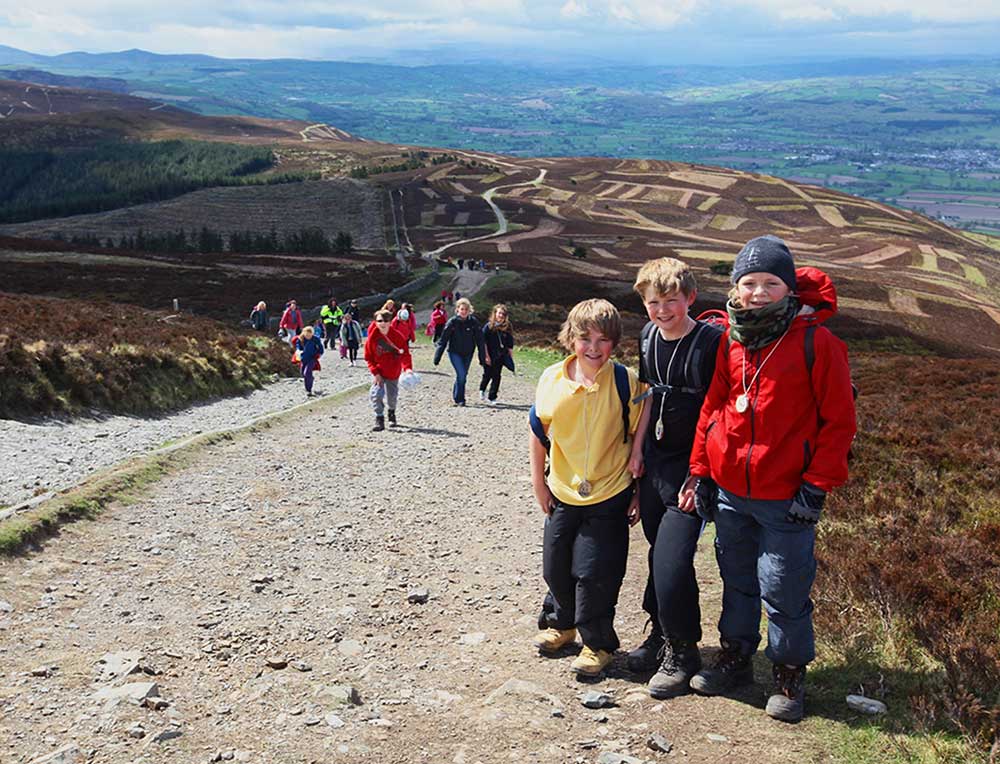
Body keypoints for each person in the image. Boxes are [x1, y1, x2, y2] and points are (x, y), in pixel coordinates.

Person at [680, 235, 856, 722]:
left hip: (787, 497)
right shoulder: (732, 341)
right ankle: (736, 658)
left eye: (770, 283)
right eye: (748, 282)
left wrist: (816, 485)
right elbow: (714, 407)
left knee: (783, 587)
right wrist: (702, 471)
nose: (758, 292)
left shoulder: (818, 344)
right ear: (735, 288)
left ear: (789, 288)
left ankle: (788, 673)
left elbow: (839, 422)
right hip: (732, 489)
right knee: (737, 580)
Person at [622, 258, 723, 699]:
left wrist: (700, 476)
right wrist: (637, 451)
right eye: (653, 302)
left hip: (693, 468)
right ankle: (661, 633)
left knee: (672, 559)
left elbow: (718, 413)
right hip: (656, 464)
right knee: (657, 552)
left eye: (671, 302)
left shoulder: (711, 343)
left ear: (690, 299)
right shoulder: (647, 337)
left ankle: (684, 653)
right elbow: (646, 399)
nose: (662, 311)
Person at [529, 299, 645, 677]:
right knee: (556, 565)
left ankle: (597, 644)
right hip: (561, 489)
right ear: (571, 338)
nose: (594, 348)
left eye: (603, 340)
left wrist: (638, 490)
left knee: (594, 571)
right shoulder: (551, 378)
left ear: (614, 342)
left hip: (610, 492)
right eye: (585, 339)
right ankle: (562, 625)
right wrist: (539, 484)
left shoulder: (626, 381)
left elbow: (639, 432)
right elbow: (537, 433)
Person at [364, 309, 412, 431]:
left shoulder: (397, 336)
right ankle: (379, 418)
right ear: (375, 322)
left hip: (393, 371)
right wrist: (375, 373)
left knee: (392, 396)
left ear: (390, 322)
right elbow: (369, 358)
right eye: (380, 321)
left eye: (386, 321)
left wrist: (407, 369)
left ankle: (391, 413)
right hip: (379, 372)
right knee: (376, 394)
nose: (383, 323)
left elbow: (405, 354)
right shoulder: (372, 339)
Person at [432, 298, 485, 406]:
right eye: (462, 309)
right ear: (457, 310)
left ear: (469, 310)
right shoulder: (452, 322)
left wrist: (482, 356)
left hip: (468, 353)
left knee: (463, 376)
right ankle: (460, 399)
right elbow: (443, 340)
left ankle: (457, 395)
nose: (464, 311)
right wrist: (437, 356)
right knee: (461, 374)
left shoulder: (473, 322)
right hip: (454, 352)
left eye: (466, 309)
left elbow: (480, 340)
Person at [479, 304, 515, 405]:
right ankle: (482, 389)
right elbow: (483, 342)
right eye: (499, 313)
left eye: (503, 314)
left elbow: (510, 344)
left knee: (497, 376)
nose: (501, 315)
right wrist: (486, 356)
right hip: (489, 354)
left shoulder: (508, 327)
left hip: (501, 356)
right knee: (487, 374)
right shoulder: (488, 326)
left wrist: (511, 358)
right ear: (495, 313)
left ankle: (492, 397)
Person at [293, 325, 324, 397]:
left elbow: (320, 348)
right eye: (306, 335)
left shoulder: (315, 339)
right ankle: (310, 380)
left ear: (312, 334)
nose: (308, 336)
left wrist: (319, 354)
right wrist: (298, 352)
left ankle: (308, 390)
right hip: (303, 359)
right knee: (303, 374)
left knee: (307, 373)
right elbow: (298, 347)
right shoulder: (300, 339)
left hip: (312, 358)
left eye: (310, 335)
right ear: (304, 333)